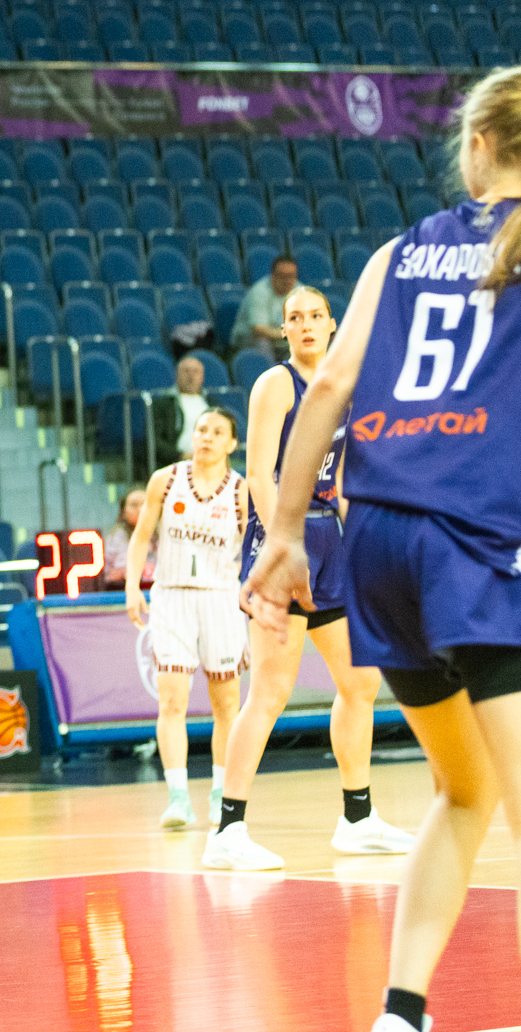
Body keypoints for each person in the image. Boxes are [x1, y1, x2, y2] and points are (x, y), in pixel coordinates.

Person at [249, 68, 521, 1032]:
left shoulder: (401, 249)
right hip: (481, 537)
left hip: (379, 542)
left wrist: (284, 533)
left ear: (480, 147)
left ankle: (401, 1012)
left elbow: (328, 387)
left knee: (465, 789)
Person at [204, 286, 416, 872]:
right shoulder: (275, 385)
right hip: (280, 534)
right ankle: (227, 830)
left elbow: (342, 479)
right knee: (271, 692)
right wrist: (283, 546)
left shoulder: (344, 386)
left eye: (314, 316)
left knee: (361, 682)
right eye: (293, 317)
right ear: (284, 329)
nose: (304, 325)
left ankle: (357, 818)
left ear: (331, 323)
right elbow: (258, 475)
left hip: (330, 538)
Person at [124, 408, 248, 831]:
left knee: (226, 704)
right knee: (171, 701)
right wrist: (132, 587)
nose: (207, 437)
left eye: (217, 432)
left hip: (220, 599)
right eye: (201, 430)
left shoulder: (241, 491)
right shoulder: (165, 479)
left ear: (232, 443)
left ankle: (220, 795)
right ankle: (178, 798)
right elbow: (141, 537)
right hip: (172, 596)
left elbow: (257, 547)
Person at [231, 254, 301, 355]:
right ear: (273, 276)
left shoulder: (300, 292)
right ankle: (266, 365)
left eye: (291, 276)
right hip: (249, 340)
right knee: (262, 342)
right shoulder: (259, 292)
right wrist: (289, 333)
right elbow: (258, 329)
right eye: (283, 276)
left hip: (282, 340)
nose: (287, 281)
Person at [100, 488, 155, 591]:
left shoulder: (164, 536)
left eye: (145, 504)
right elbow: (106, 576)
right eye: (134, 505)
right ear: (124, 511)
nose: (140, 509)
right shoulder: (113, 539)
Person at [158, 355, 208, 458]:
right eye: (186, 371)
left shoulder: (213, 404)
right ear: (176, 375)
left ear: (202, 377)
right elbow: (155, 441)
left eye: (195, 372)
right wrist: (180, 455)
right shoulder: (163, 404)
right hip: (178, 460)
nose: (191, 376)